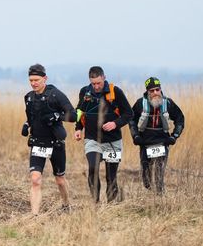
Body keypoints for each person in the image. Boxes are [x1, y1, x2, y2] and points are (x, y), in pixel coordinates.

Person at [73, 66, 134, 204]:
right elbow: (79, 112)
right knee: (93, 167)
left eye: (98, 83)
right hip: (92, 139)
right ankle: (95, 202)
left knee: (111, 176)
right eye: (93, 83)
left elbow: (129, 114)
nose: (96, 86)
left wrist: (115, 124)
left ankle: (111, 206)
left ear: (104, 78)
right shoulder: (85, 92)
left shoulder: (115, 92)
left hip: (113, 142)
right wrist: (78, 128)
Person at [21, 64, 76, 214]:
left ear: (45, 78)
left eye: (36, 80)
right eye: (31, 80)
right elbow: (32, 117)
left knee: (60, 180)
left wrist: (58, 116)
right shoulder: (29, 97)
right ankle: (35, 215)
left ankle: (66, 205)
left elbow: (73, 114)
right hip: (38, 143)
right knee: (35, 179)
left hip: (55, 143)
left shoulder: (55, 95)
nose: (33, 83)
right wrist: (26, 124)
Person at [129, 77, 185, 195]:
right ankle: (151, 195)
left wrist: (174, 136)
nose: (155, 93)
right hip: (145, 142)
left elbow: (180, 119)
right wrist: (135, 136)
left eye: (157, 90)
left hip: (162, 142)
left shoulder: (168, 103)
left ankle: (160, 199)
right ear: (147, 92)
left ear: (160, 90)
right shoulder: (140, 103)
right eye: (152, 91)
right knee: (146, 179)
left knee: (159, 174)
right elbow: (131, 120)